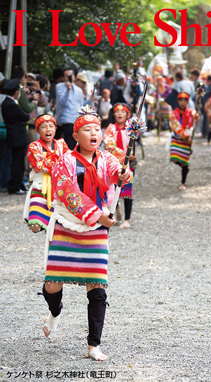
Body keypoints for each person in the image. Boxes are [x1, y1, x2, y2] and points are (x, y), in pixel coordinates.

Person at [41, 106, 130, 361]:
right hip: (68, 225)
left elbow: (118, 172)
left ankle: (94, 345)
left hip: (96, 229)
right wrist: (97, 214)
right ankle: (55, 311)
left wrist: (124, 174)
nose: (94, 133)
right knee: (52, 283)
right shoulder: (65, 161)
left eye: (97, 129)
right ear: (76, 136)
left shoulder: (106, 158)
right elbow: (67, 192)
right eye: (87, 130)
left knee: (98, 285)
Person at [23, 114, 69, 233]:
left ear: (55, 128)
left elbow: (69, 161)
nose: (48, 129)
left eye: (51, 126)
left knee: (59, 226)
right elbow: (39, 164)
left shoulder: (61, 144)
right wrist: (59, 165)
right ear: (37, 130)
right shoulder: (33, 146)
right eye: (44, 127)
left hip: (59, 187)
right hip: (40, 187)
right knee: (35, 226)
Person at [103, 103, 136, 228]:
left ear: (128, 115)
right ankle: (115, 209)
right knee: (113, 188)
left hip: (127, 165)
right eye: (117, 112)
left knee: (127, 191)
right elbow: (110, 146)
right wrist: (126, 155)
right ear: (114, 114)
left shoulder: (131, 129)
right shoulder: (110, 128)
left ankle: (127, 219)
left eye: (123, 112)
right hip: (113, 163)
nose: (120, 114)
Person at [1, 79, 30, 194]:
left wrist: (22, 119)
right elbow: (25, 117)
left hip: (15, 137)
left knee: (17, 161)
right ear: (16, 92)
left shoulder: (8, 103)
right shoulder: (10, 104)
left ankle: (18, 184)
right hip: (17, 137)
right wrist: (22, 119)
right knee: (17, 163)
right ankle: (15, 185)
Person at [169, 92, 199, 191]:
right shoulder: (174, 113)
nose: (182, 102)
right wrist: (185, 136)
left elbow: (195, 116)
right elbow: (175, 125)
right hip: (178, 138)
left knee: (184, 163)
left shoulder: (191, 112)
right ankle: (184, 170)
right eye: (180, 100)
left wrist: (196, 116)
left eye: (185, 100)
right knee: (173, 157)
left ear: (187, 101)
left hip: (187, 139)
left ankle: (183, 182)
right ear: (178, 101)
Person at [55, 67, 84, 149]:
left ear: (74, 77)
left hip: (75, 120)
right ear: (63, 77)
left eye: (70, 76)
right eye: (66, 76)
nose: (68, 78)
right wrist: (68, 90)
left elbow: (80, 105)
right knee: (64, 145)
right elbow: (63, 102)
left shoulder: (79, 90)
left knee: (73, 144)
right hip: (64, 120)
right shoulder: (59, 87)